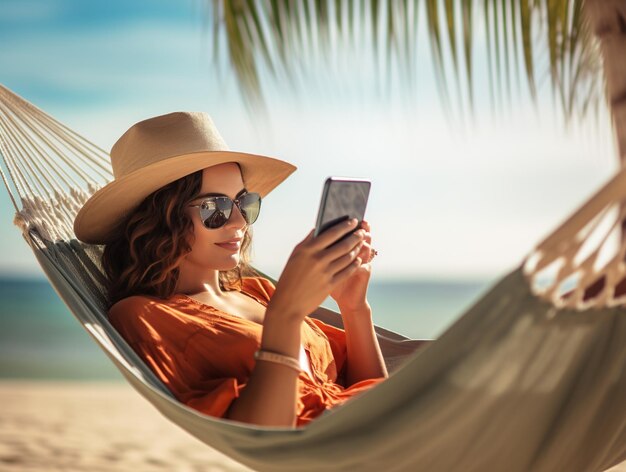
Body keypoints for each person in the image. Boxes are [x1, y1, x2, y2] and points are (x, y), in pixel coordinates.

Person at [73, 111, 388, 428]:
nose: (239, 222)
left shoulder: (259, 291)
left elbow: (372, 394)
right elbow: (261, 435)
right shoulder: (142, 315)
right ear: (160, 219)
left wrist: (354, 307)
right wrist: (285, 316)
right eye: (215, 208)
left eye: (244, 202)